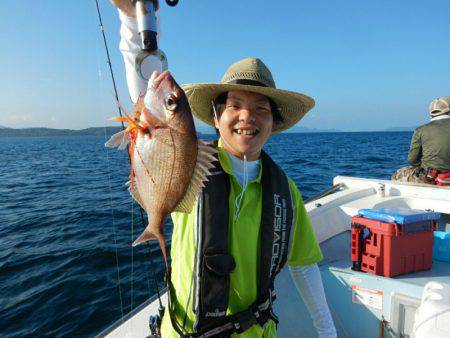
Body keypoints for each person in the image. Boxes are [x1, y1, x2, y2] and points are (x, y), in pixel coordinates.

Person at [111, 1, 337, 337]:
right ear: (216, 119)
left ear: (273, 123)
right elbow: (146, 84)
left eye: (261, 108)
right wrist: (133, 18)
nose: (248, 116)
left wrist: (326, 329)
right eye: (235, 105)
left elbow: (304, 264)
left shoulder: (285, 192)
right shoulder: (189, 166)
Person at [392, 97, 450, 184]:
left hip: (431, 178)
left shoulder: (420, 130)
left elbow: (412, 160)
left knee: (397, 174)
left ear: (431, 114)